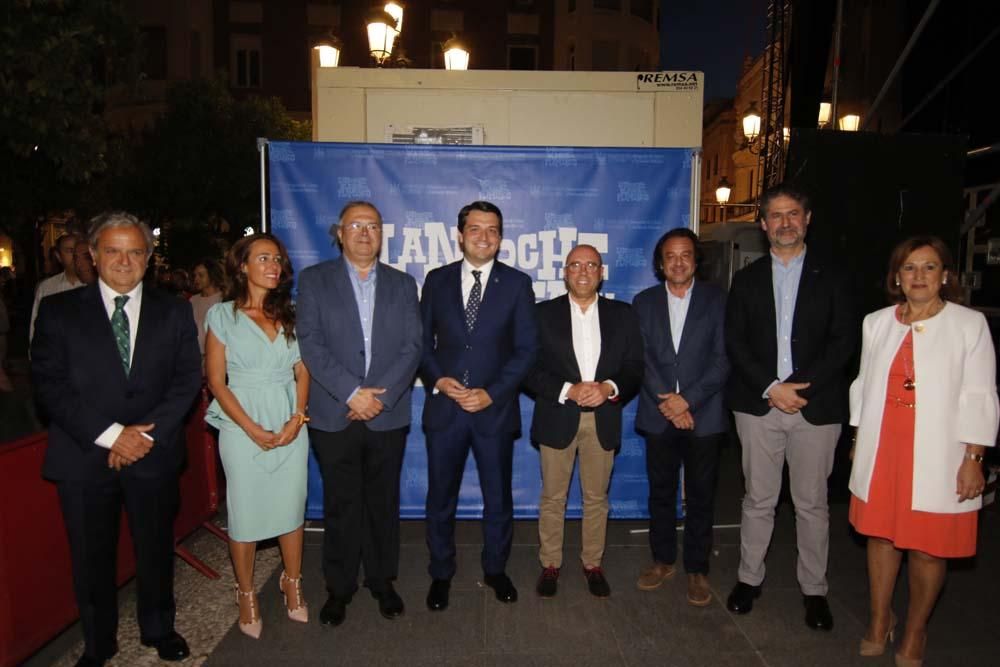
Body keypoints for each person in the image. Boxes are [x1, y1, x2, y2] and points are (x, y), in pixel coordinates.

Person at [31, 212, 201, 666]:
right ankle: (99, 641)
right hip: (83, 454)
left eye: (134, 251)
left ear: (148, 258)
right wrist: (112, 437)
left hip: (154, 451)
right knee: (91, 558)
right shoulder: (58, 311)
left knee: (155, 549)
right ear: (93, 255)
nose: (124, 260)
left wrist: (147, 436)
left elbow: (188, 379)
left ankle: (159, 628)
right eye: (112, 250)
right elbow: (49, 384)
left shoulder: (175, 309)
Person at [848, 236, 998, 665]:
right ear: (897, 276)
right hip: (884, 443)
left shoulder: (969, 324)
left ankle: (915, 631)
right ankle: (880, 619)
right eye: (910, 268)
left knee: (928, 545)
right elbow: (862, 386)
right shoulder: (876, 322)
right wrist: (858, 442)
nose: (919, 276)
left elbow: (979, 395)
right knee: (880, 535)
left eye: (929, 267)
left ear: (945, 275)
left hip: (940, 448)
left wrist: (974, 458)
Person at [724, 182, 857, 630]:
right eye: (776, 216)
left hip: (814, 407)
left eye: (793, 214)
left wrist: (799, 387)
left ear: (807, 219)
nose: (785, 223)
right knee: (758, 499)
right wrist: (770, 387)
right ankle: (748, 578)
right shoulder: (746, 279)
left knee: (812, 504)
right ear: (763, 224)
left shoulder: (834, 275)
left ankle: (814, 590)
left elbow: (844, 342)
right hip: (758, 405)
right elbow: (735, 343)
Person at [296, 201, 422, 626]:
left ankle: (383, 581)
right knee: (341, 503)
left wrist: (378, 399)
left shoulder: (404, 285)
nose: (365, 232)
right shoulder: (314, 281)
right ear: (339, 232)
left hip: (387, 414)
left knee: (383, 502)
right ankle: (340, 587)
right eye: (356, 225)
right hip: (335, 413)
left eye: (373, 225)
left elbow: (413, 347)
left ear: (382, 234)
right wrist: (353, 394)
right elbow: (310, 343)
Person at [420, 200, 539, 610]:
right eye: (475, 229)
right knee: (440, 499)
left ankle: (495, 569)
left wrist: (493, 392)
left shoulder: (518, 284)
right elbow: (421, 344)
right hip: (446, 408)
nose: (484, 237)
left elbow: (526, 350)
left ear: (501, 238)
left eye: (492, 230)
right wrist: (439, 380)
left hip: (494, 409)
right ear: (460, 234)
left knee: (498, 498)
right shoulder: (435, 281)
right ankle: (440, 574)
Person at [204, 233, 311, 639]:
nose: (273, 265)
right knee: (245, 512)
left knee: (291, 505)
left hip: (290, 421)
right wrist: (251, 428)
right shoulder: (222, 316)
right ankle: (246, 591)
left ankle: (293, 581)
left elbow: (304, 370)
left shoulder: (294, 314)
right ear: (242, 266)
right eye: (262, 257)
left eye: (278, 259)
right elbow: (216, 381)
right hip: (239, 422)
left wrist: (297, 418)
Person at [523, 244, 642, 598]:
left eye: (592, 265)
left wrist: (609, 387)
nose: (584, 271)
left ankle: (593, 564)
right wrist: (567, 390)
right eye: (576, 265)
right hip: (558, 416)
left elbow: (635, 369)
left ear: (601, 272)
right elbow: (527, 369)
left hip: (603, 420)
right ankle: (550, 564)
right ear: (565, 272)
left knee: (596, 498)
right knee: (553, 497)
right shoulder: (541, 314)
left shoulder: (623, 314)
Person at [632, 228, 728, 606]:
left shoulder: (718, 300)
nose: (677, 262)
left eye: (685, 254)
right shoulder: (643, 302)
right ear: (660, 263)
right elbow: (640, 359)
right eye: (670, 256)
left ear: (695, 260)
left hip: (704, 414)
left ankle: (697, 569)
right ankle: (662, 560)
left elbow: (723, 360)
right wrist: (670, 406)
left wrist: (687, 401)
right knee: (661, 493)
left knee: (702, 496)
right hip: (659, 415)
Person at [30, 232, 82, 340]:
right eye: (69, 251)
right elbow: (36, 327)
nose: (75, 255)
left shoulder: (95, 285)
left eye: (78, 250)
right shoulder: (47, 287)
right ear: (59, 256)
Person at [190, 258, 225, 360]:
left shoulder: (223, 300)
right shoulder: (193, 300)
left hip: (216, 357)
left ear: (212, 276)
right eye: (195, 275)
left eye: (201, 275)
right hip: (194, 356)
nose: (196, 279)